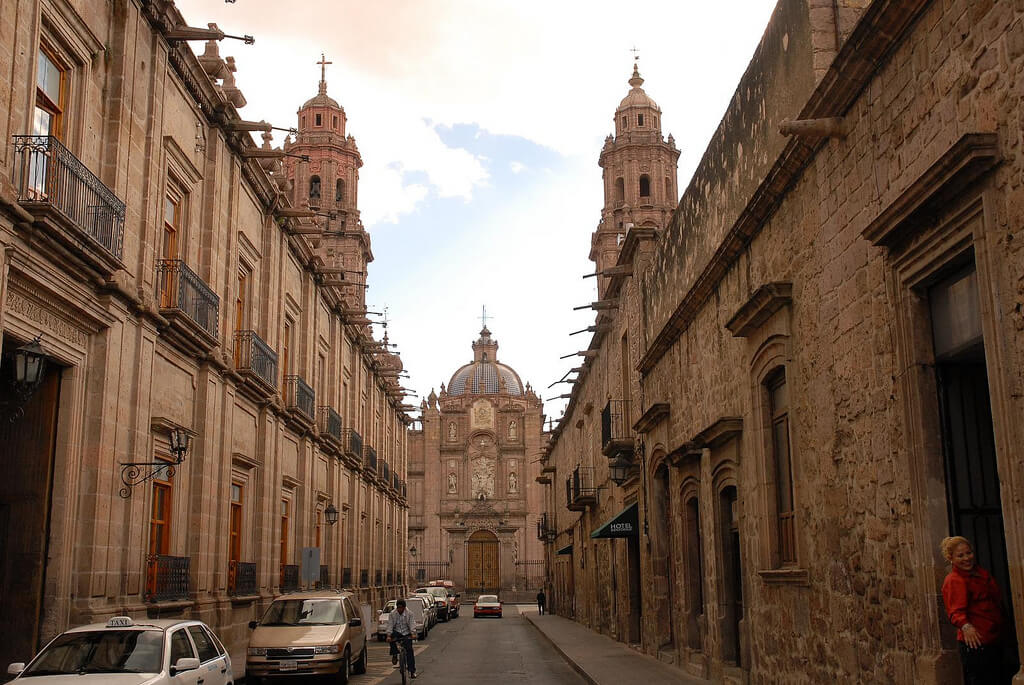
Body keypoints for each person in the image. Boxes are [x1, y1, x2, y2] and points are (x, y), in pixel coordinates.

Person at [940, 536, 1007, 685]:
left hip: (993, 637)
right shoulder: (955, 580)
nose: (966, 558)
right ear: (951, 558)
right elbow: (955, 611)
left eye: (968, 553)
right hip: (977, 642)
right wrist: (966, 626)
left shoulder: (980, 573)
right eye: (960, 556)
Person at [386, 598, 417, 679]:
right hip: (397, 632)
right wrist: (388, 635)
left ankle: (412, 671)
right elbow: (390, 625)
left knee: (409, 650)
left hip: (406, 633)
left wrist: (413, 633)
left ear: (404, 607)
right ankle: (394, 654)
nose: (399, 609)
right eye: (398, 608)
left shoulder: (409, 614)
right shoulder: (392, 614)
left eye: (401, 608)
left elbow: (412, 624)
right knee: (392, 638)